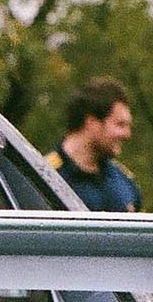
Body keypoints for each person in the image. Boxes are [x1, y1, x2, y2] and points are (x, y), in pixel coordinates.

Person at [47, 76, 142, 212]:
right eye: (120, 125)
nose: (127, 134)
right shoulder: (46, 177)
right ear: (92, 123)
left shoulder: (124, 183)